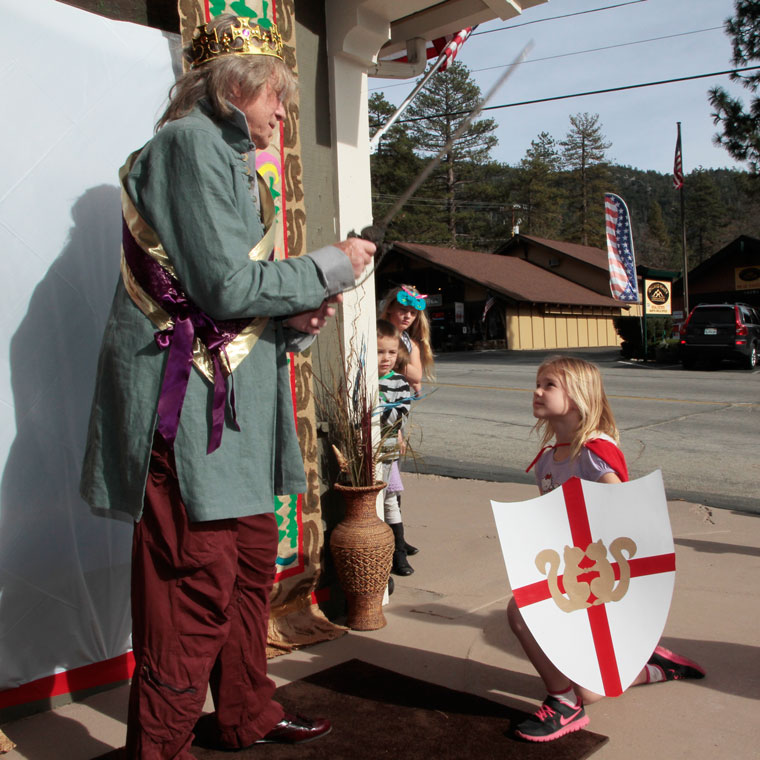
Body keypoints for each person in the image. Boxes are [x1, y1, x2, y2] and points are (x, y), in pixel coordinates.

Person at [79, 14, 375, 759]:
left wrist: (300, 315)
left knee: (246, 573)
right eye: (277, 95)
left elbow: (230, 302)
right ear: (241, 84)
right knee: (194, 590)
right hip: (191, 422)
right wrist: (331, 264)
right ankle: (162, 750)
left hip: (231, 417)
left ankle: (245, 712)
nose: (283, 111)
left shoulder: (230, 157)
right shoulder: (188, 145)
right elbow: (223, 283)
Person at [508, 355, 705, 743]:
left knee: (520, 611)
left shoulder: (594, 454)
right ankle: (653, 664)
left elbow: (626, 515)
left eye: (549, 385)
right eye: (538, 382)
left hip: (605, 575)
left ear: (579, 396)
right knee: (593, 693)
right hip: (572, 569)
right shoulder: (547, 460)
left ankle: (563, 704)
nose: (537, 391)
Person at [377, 284, 435, 572]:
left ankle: (399, 537)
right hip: (381, 405)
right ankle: (393, 539)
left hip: (397, 409)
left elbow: (417, 377)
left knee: (394, 478)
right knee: (388, 479)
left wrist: (400, 366)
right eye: (402, 310)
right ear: (389, 308)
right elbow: (410, 373)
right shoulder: (379, 331)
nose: (407, 316)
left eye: (412, 312)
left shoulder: (410, 342)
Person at [376, 320, 413, 576]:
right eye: (380, 352)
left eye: (391, 352)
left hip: (387, 446)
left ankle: (398, 554)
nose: (386, 358)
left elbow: (399, 416)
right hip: (365, 448)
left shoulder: (399, 382)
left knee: (390, 501)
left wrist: (379, 405)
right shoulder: (362, 375)